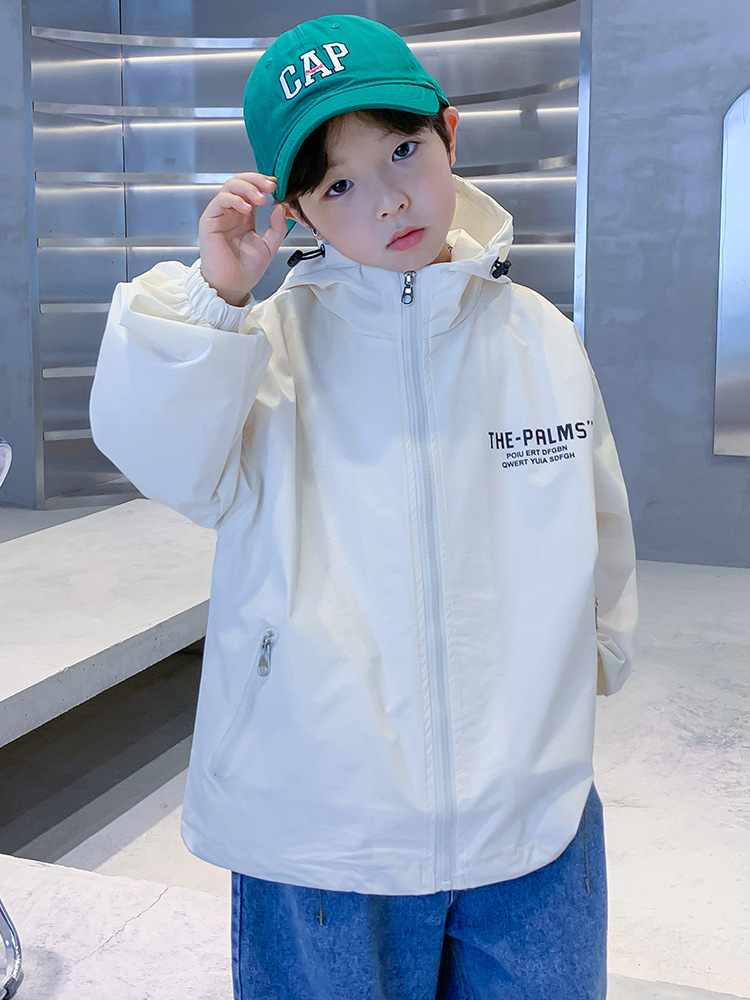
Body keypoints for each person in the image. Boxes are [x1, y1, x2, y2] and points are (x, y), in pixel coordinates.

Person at [89, 14, 637, 1000]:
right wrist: (216, 301)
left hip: (529, 811)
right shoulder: (263, 350)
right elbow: (165, 457)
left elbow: (596, 519)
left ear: (449, 135)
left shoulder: (537, 337)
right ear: (295, 210)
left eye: (402, 151)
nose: (387, 199)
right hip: (320, 830)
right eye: (338, 184)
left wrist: (585, 660)